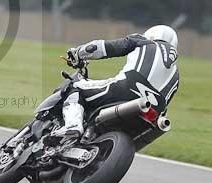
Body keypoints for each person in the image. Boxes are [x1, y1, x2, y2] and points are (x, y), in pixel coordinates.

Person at [51, 25, 180, 139]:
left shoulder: (143, 40)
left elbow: (104, 48)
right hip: (154, 111)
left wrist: (78, 53)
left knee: (76, 87)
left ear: (152, 34)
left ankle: (73, 125)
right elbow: (166, 102)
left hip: (128, 86)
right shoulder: (176, 73)